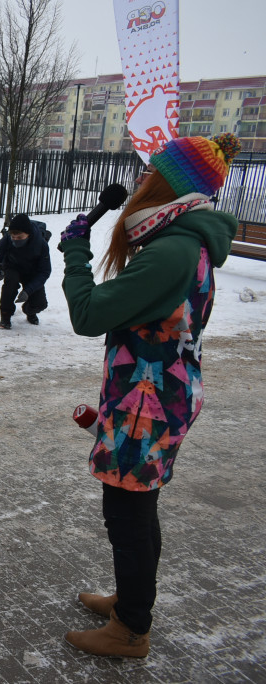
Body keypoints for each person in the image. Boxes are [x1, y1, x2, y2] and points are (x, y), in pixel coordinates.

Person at [59, 133, 241, 658]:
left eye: (150, 173)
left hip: (149, 402)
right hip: (154, 393)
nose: (141, 180)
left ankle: (131, 627)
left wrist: (74, 253)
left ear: (171, 185)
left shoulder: (173, 250)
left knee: (127, 512)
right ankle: (131, 600)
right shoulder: (182, 240)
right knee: (138, 505)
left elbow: (89, 314)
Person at [0, 213, 51, 329]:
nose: (15, 240)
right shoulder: (7, 239)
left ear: (28, 234)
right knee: (10, 284)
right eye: (13, 237)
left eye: (19, 237)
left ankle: (29, 311)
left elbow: (45, 272)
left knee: (40, 304)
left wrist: (28, 291)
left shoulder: (41, 244)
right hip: (12, 268)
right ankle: (5, 316)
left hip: (32, 272)